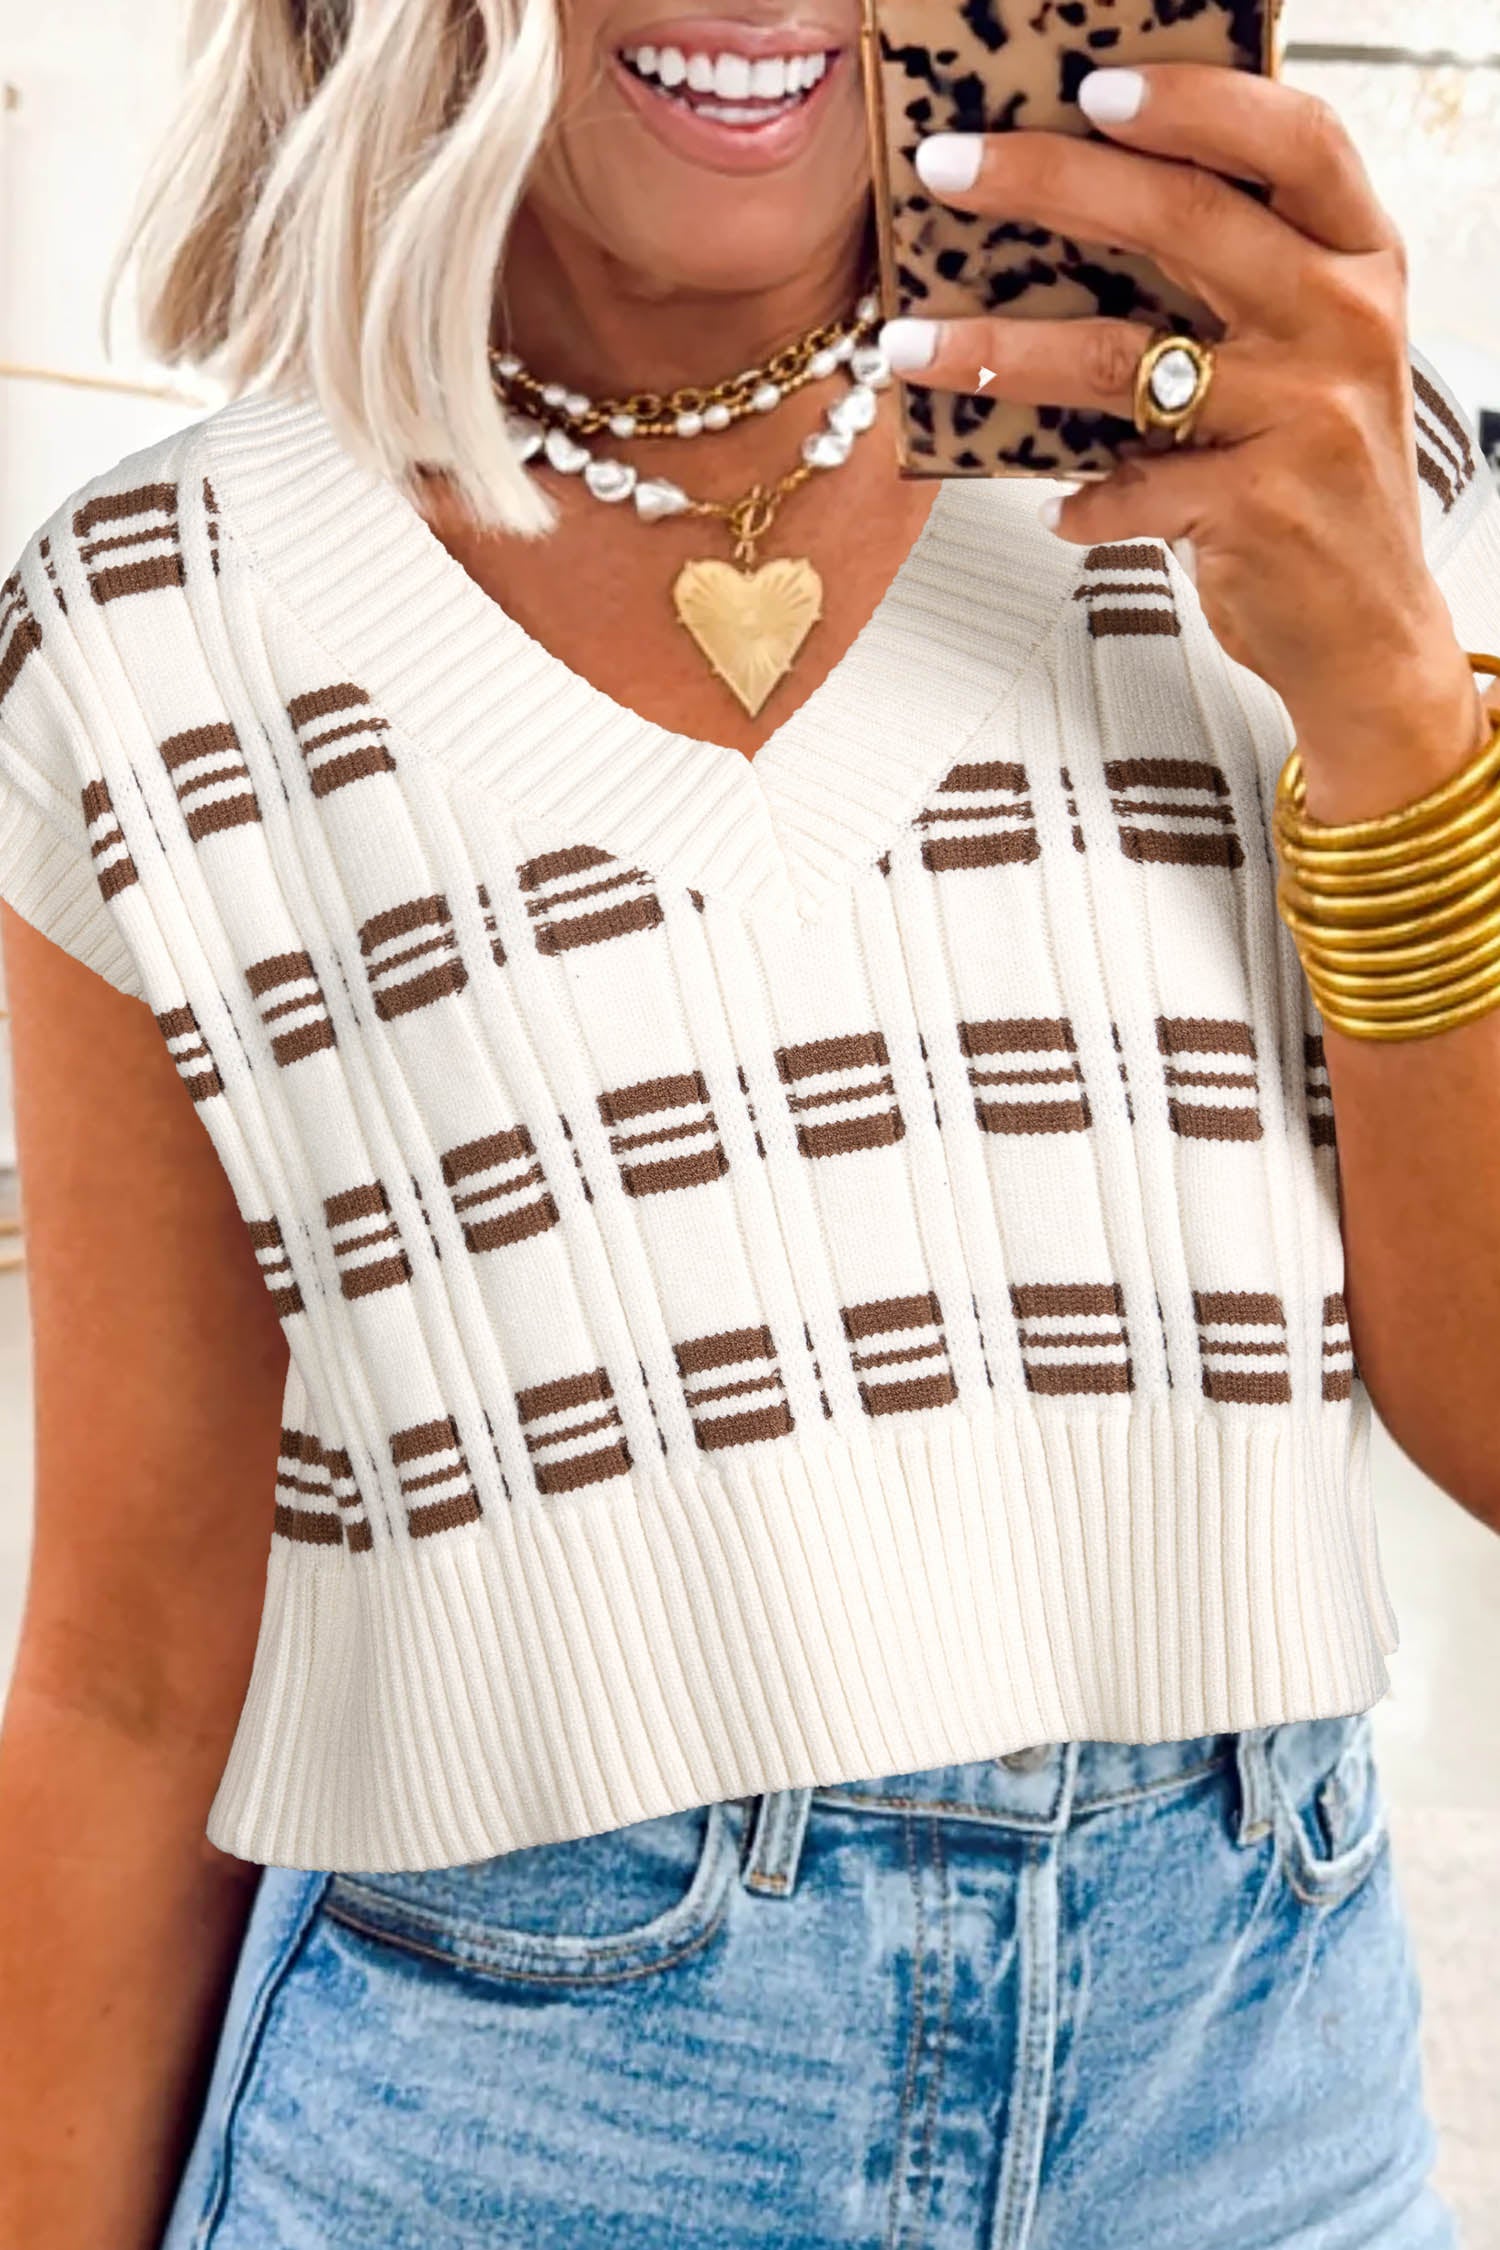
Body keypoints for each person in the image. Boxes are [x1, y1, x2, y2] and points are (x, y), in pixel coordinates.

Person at [1, 2, 1497, 2244]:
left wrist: (1385, 699)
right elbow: (133, 1687)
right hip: (500, 2138)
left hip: (1257, 2121)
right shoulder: (158, 636)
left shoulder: (1315, 478)